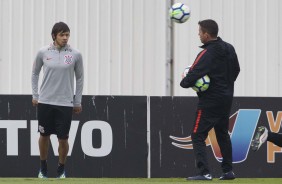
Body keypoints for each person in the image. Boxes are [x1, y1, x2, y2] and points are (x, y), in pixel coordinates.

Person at [180, 19, 240, 180]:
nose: (198, 34)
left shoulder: (207, 53)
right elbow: (236, 70)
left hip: (210, 101)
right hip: (226, 98)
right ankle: (228, 171)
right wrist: (225, 85)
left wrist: (184, 82)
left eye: (199, 32)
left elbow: (193, 74)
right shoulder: (229, 48)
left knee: (197, 135)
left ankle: (204, 173)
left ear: (206, 34)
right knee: (222, 134)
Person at [31, 22, 84, 178]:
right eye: (62, 35)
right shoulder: (43, 52)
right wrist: (35, 95)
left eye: (67, 34)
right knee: (44, 136)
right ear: (54, 36)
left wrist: (77, 101)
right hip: (45, 102)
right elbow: (34, 73)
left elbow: (80, 78)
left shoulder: (75, 54)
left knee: (63, 139)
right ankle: (43, 168)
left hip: (65, 103)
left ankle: (61, 169)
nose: (65, 38)